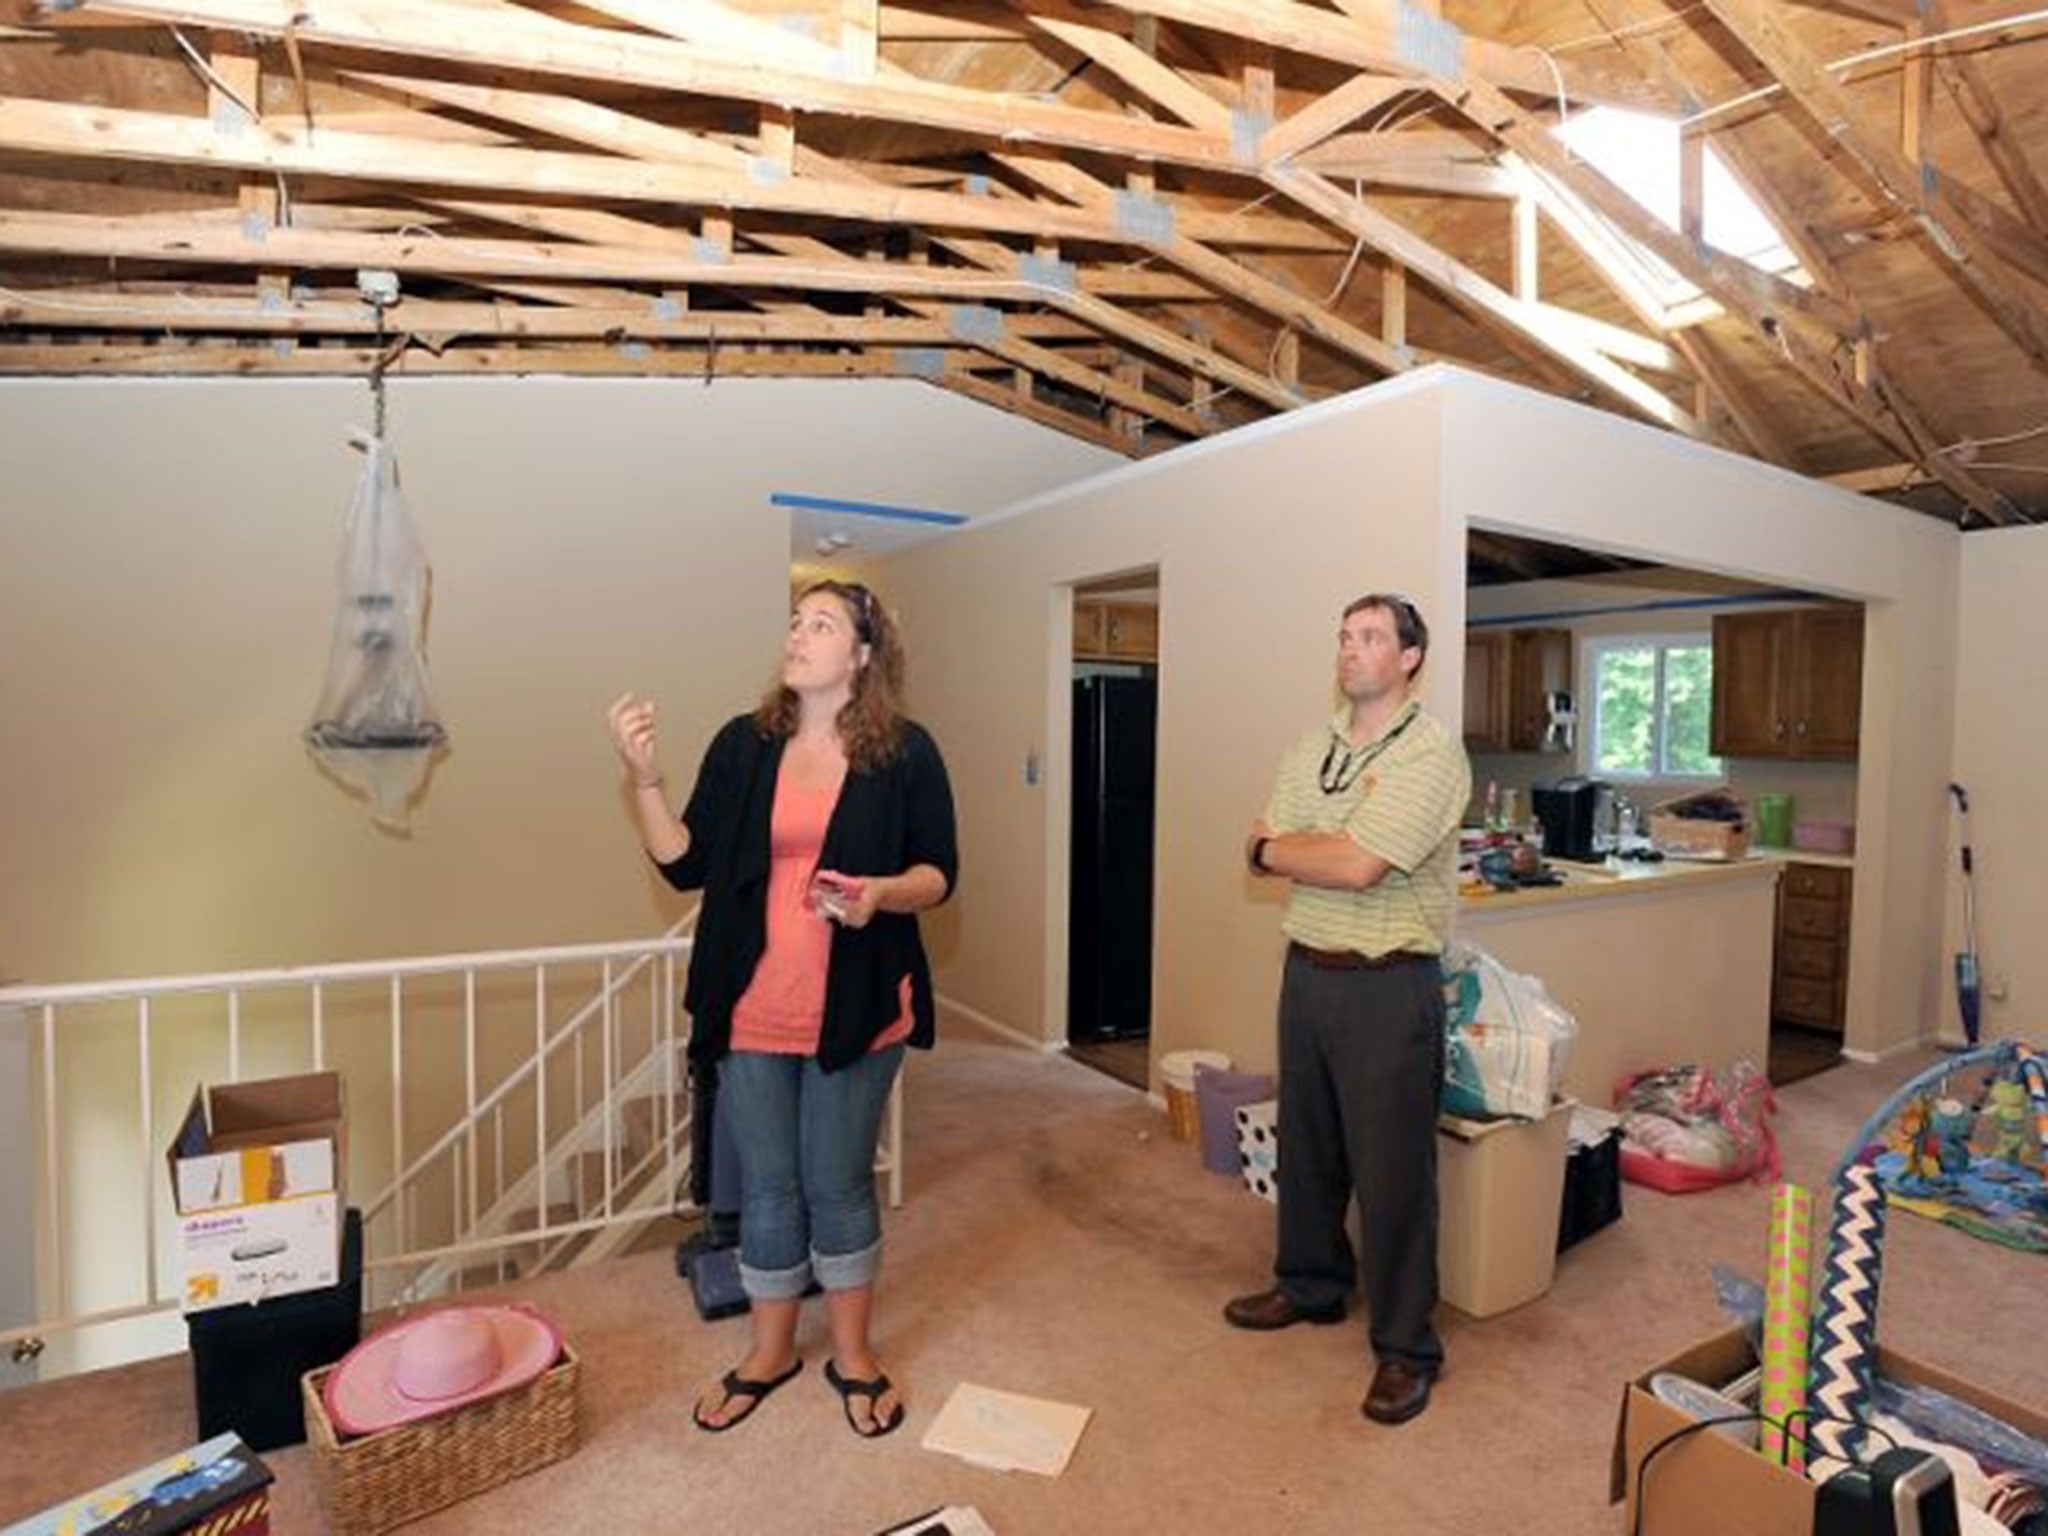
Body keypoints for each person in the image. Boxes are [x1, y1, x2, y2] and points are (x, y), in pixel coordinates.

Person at [607, 579, 957, 1439]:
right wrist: (645, 779)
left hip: (857, 1007)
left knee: (837, 1185)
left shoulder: (905, 753)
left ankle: (853, 1355)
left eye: (823, 623)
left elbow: (939, 873)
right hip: (750, 1006)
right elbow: (683, 862)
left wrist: (880, 893)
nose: (799, 634)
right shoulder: (744, 742)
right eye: (796, 621)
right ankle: (768, 1353)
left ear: (864, 655)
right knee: (767, 1190)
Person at [1225, 592, 1470, 1426]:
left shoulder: (1431, 754)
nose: (1350, 649)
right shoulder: (1311, 745)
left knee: (1394, 1170)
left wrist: (1289, 849)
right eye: (1343, 636)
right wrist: (1289, 848)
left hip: (1388, 981)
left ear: (1409, 659)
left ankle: (1406, 1348)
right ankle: (1310, 1284)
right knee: (1309, 1145)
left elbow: (1361, 866)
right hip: (1310, 971)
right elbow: (1265, 842)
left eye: (1370, 637)